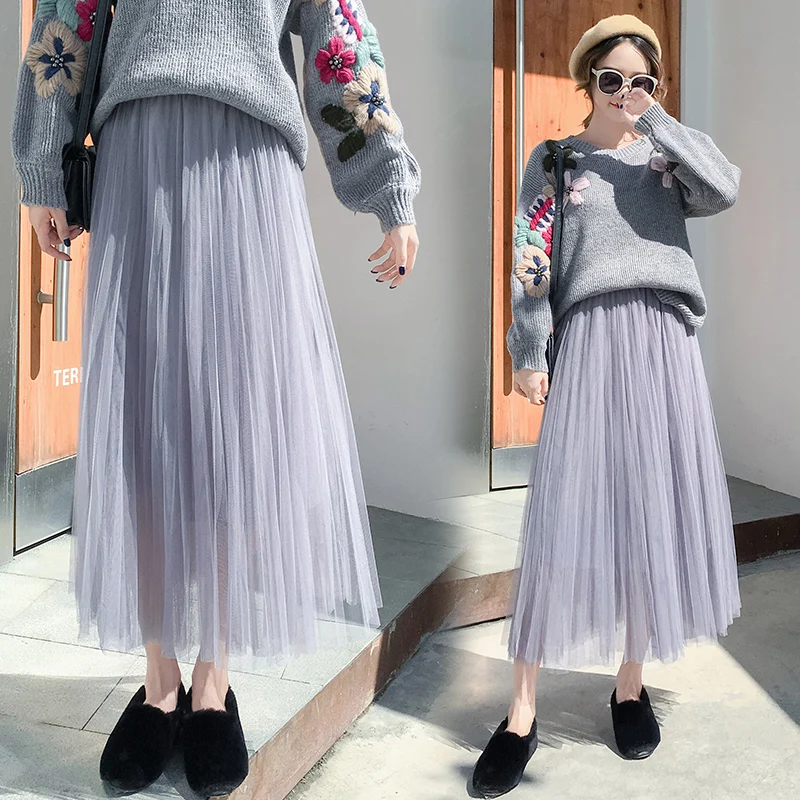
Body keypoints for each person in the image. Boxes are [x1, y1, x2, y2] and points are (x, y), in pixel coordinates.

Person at [11, 0, 420, 796]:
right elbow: (65, 15)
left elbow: (340, 36)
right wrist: (42, 169)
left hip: (250, 162)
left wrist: (389, 187)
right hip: (137, 153)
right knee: (144, 423)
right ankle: (158, 679)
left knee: (238, 426)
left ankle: (213, 681)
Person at [472, 14, 741, 797]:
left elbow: (725, 188)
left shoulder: (666, 161)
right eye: (613, 79)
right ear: (587, 80)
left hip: (664, 343)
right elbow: (530, 259)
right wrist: (528, 351)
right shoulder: (556, 160)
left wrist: (657, 121)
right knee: (562, 514)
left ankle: (629, 686)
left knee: (647, 513)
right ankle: (521, 712)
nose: (626, 91)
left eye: (642, 80)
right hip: (589, 339)